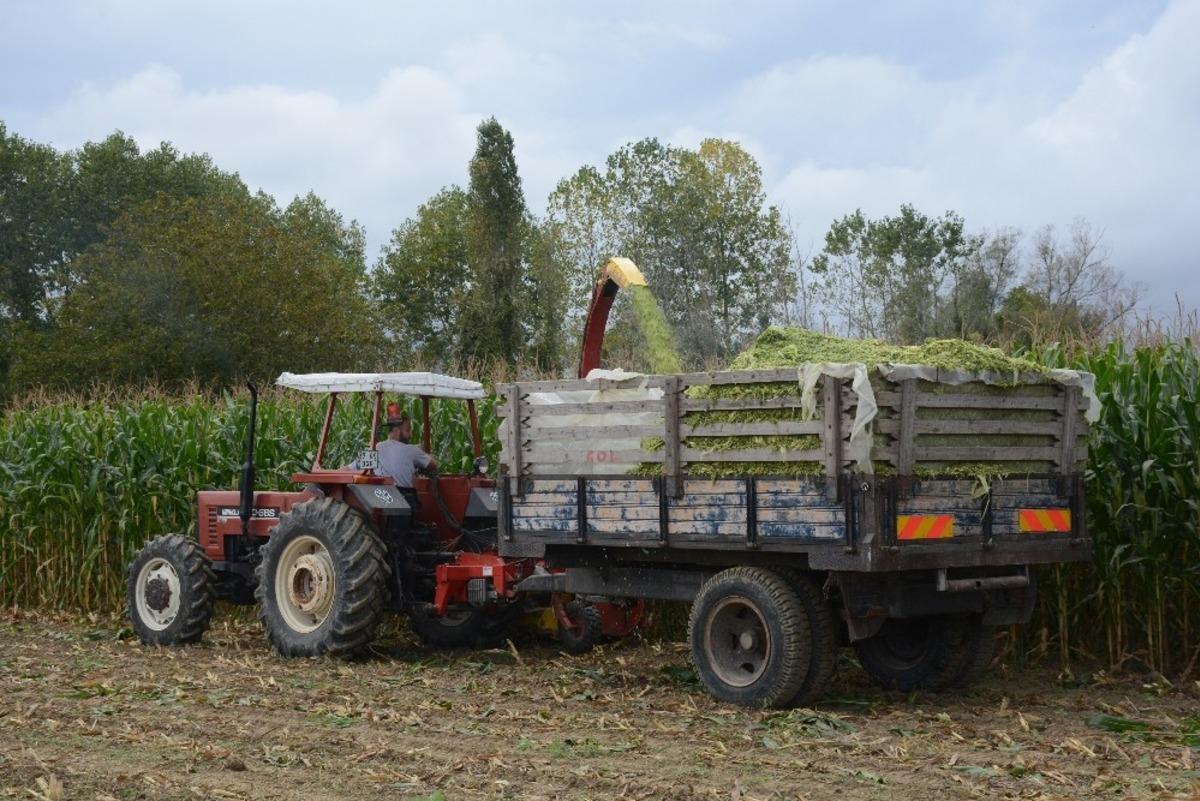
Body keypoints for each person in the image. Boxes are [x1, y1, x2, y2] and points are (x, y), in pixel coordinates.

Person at [374, 411, 436, 506]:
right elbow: (433, 465)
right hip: (403, 500)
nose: (410, 434)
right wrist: (427, 455)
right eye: (408, 430)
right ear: (398, 431)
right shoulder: (411, 450)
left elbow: (352, 466)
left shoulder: (376, 447)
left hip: (379, 498)